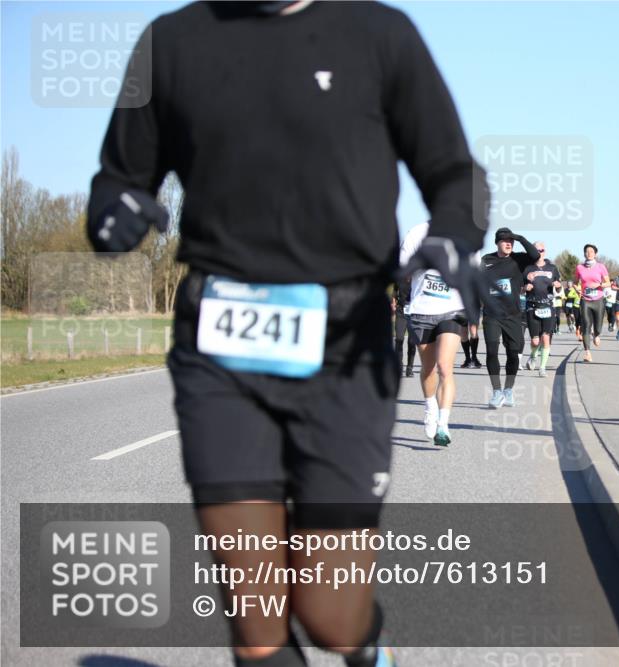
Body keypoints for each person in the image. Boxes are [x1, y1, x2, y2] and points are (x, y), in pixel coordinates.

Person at [86, 2, 490, 665]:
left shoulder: (380, 33)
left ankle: (367, 644)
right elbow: (119, 175)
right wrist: (114, 207)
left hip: (345, 343)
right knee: (258, 620)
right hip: (219, 346)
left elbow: (455, 174)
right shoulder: (170, 41)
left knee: (331, 615)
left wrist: (452, 236)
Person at [400, 222, 473, 447]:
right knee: (429, 368)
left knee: (444, 367)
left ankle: (443, 424)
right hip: (422, 310)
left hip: (451, 310)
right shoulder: (417, 233)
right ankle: (430, 406)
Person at [481, 227, 540, 407]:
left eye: (510, 241)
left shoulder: (518, 259)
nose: (508, 244)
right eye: (504, 241)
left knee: (513, 354)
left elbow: (535, 255)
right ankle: (497, 391)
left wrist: (519, 237)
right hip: (492, 314)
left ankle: (508, 389)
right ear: (497, 242)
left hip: (513, 315)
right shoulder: (486, 260)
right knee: (492, 351)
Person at [522, 241, 561, 377]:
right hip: (532, 306)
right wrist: (525, 288)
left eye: (542, 250)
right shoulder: (527, 268)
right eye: (537, 250)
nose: (540, 252)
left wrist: (558, 286)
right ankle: (533, 356)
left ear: (545, 251)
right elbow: (521, 289)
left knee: (545, 338)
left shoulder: (552, 268)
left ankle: (542, 367)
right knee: (535, 340)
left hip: (548, 306)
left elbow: (559, 285)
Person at [573, 245, 610, 362]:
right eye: (587, 251)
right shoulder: (579, 267)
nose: (589, 253)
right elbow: (575, 282)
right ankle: (587, 353)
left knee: (598, 326)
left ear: (595, 254)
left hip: (598, 300)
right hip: (585, 300)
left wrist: (598, 285)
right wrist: (577, 288)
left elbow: (608, 283)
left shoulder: (601, 267)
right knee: (586, 326)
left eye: (591, 251)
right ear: (584, 254)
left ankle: (597, 335)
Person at [392, 279, 416, 377]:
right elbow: (394, 292)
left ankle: (409, 368)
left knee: (412, 341)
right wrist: (393, 303)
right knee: (399, 338)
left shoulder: (417, 278)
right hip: (401, 311)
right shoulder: (399, 277)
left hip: (414, 312)